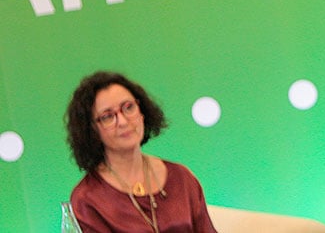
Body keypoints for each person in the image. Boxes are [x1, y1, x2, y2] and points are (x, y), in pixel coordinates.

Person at [65, 71, 217, 232]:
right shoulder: (87, 199)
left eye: (128, 107)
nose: (123, 121)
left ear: (142, 110)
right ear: (92, 130)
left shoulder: (181, 178)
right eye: (107, 116)